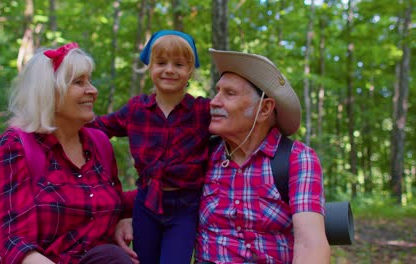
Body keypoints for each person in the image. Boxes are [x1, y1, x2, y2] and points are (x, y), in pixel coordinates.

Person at [0, 43, 138, 264]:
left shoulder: (100, 144)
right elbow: (9, 239)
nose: (92, 90)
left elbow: (110, 199)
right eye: (79, 82)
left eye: (90, 80)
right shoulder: (14, 146)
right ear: (49, 92)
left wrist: (125, 215)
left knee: (113, 257)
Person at [195, 48, 331, 263]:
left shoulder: (297, 159)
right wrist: (129, 217)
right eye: (217, 91)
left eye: (229, 94)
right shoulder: (202, 153)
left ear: (265, 108)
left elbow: (310, 243)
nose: (214, 101)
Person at [90, 30, 211, 264]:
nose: (169, 70)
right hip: (146, 204)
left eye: (178, 64)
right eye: (161, 63)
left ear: (190, 72)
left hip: (184, 207)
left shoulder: (201, 111)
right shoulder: (137, 109)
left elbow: (235, 123)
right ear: (149, 67)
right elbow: (100, 127)